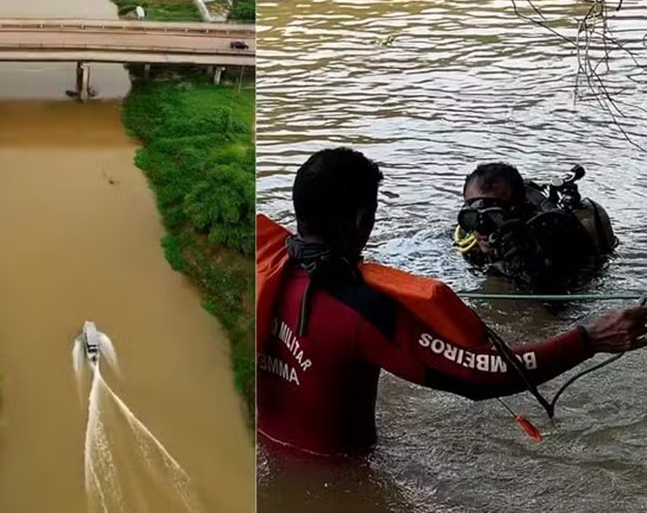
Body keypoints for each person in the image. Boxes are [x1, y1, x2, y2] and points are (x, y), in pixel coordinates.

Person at [256, 147, 647, 457]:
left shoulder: (262, 268)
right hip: (342, 479)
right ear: (363, 221)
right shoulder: (361, 309)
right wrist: (590, 338)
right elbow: (482, 374)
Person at [455, 162, 618, 291]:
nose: (483, 226)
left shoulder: (551, 236)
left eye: (494, 216)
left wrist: (528, 265)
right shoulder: (467, 238)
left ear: (518, 210)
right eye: (474, 216)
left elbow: (562, 303)